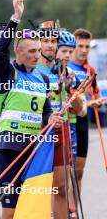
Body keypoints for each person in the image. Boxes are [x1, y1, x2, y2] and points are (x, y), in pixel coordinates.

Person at [0, 0, 63, 219]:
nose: (37, 55)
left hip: (33, 153)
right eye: (31, 51)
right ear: (19, 52)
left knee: (32, 210)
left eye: (37, 50)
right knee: (11, 211)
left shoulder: (41, 80)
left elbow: (46, 111)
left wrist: (51, 118)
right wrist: (16, 18)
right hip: (9, 151)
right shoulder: (8, 73)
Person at [37, 24, 86, 219]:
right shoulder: (35, 69)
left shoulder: (64, 74)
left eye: (69, 51)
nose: (67, 55)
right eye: (64, 51)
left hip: (62, 131)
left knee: (62, 189)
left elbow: (81, 111)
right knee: (38, 189)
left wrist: (71, 87)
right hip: (40, 132)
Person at [68, 28, 106, 211]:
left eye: (87, 47)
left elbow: (96, 93)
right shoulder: (67, 67)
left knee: (79, 171)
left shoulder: (89, 70)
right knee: (63, 174)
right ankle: (60, 209)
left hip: (82, 122)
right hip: (68, 121)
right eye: (80, 46)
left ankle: (73, 210)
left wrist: (97, 101)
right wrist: (91, 103)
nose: (84, 50)